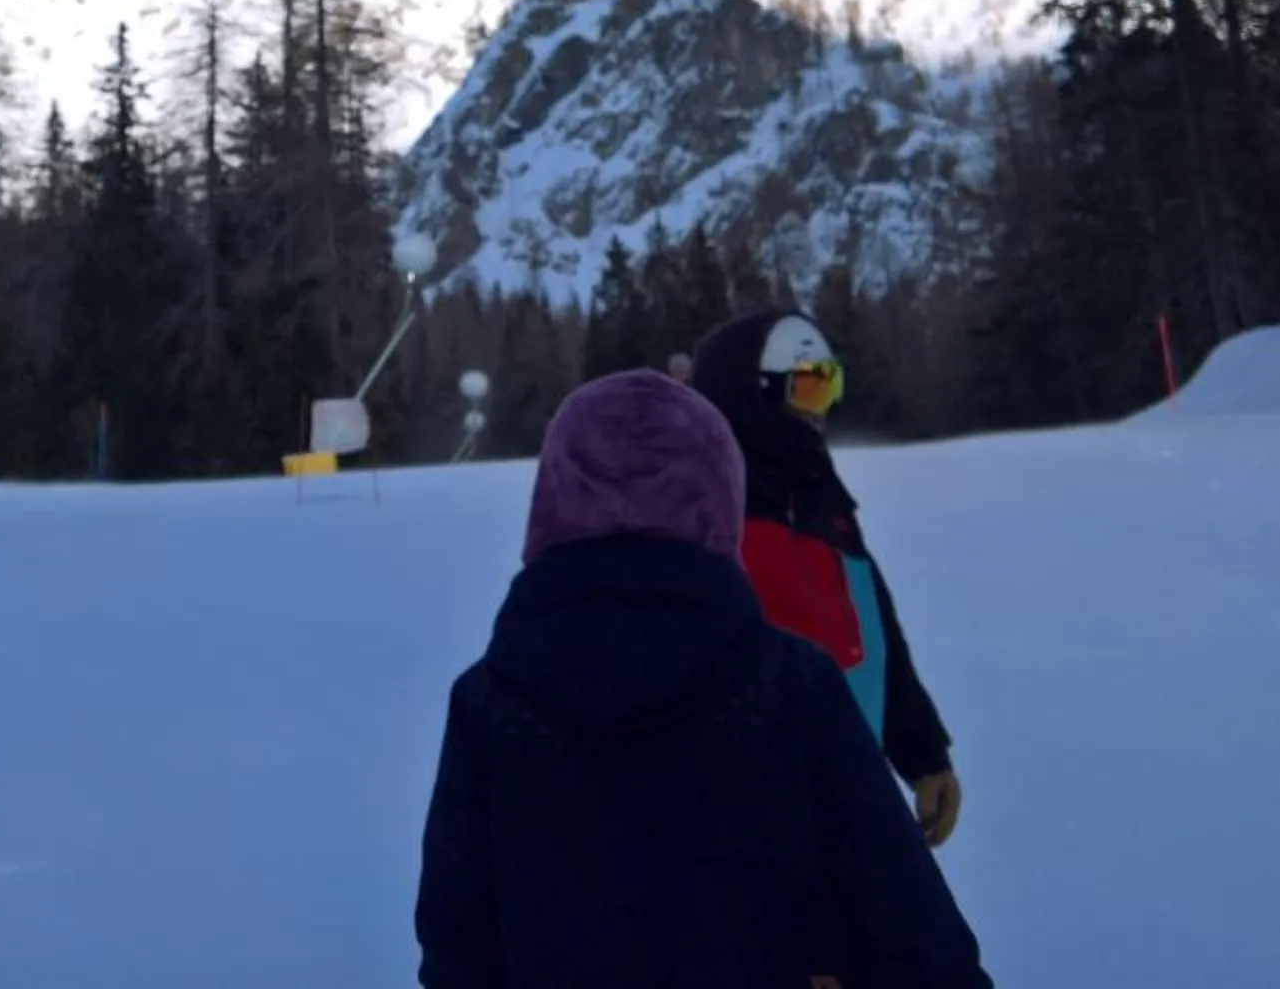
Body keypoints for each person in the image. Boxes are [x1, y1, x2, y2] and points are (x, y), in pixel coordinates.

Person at [416, 370, 989, 989]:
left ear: (553, 502)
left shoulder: (490, 702)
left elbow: (458, 950)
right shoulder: (793, 686)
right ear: (720, 498)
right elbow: (916, 935)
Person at [687, 309, 963, 849]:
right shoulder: (704, 512)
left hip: (850, 790)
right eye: (809, 390)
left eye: (830, 386)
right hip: (748, 821)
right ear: (753, 396)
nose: (822, 411)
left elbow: (875, 632)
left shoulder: (822, 497)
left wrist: (922, 752)